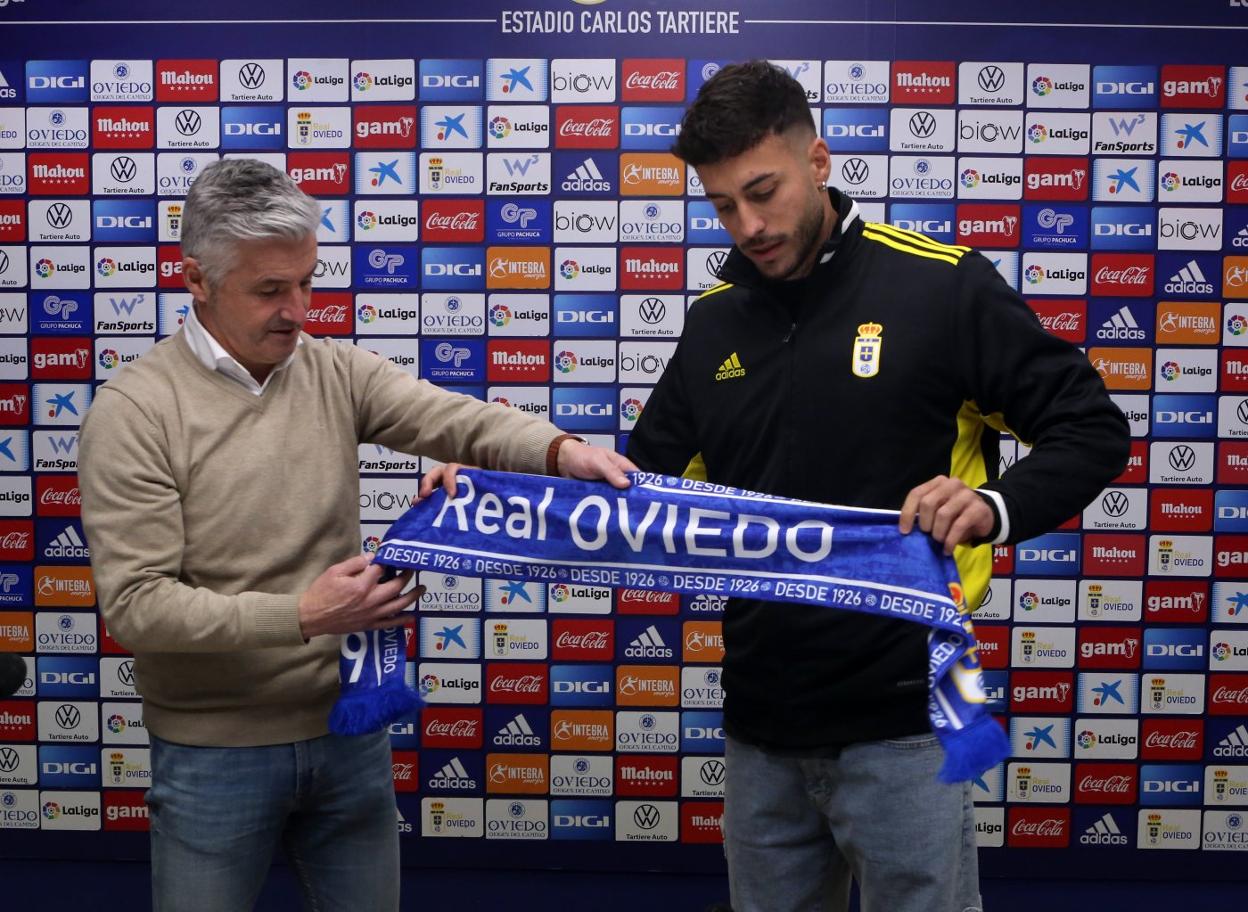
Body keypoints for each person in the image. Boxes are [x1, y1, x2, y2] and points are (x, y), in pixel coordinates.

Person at [626, 61, 1129, 912]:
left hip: (914, 720)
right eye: (721, 205)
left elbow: (1092, 430)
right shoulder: (713, 322)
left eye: (762, 191)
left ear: (817, 160)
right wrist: (490, 493)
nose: (747, 225)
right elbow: (640, 488)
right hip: (760, 728)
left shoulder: (939, 285)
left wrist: (993, 507)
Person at [78, 159, 635, 912]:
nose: (297, 309)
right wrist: (307, 616)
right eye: (270, 289)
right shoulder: (134, 411)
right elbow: (139, 608)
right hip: (213, 753)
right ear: (196, 281)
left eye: (307, 281)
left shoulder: (334, 370)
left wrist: (561, 451)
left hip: (350, 735)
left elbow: (454, 418)